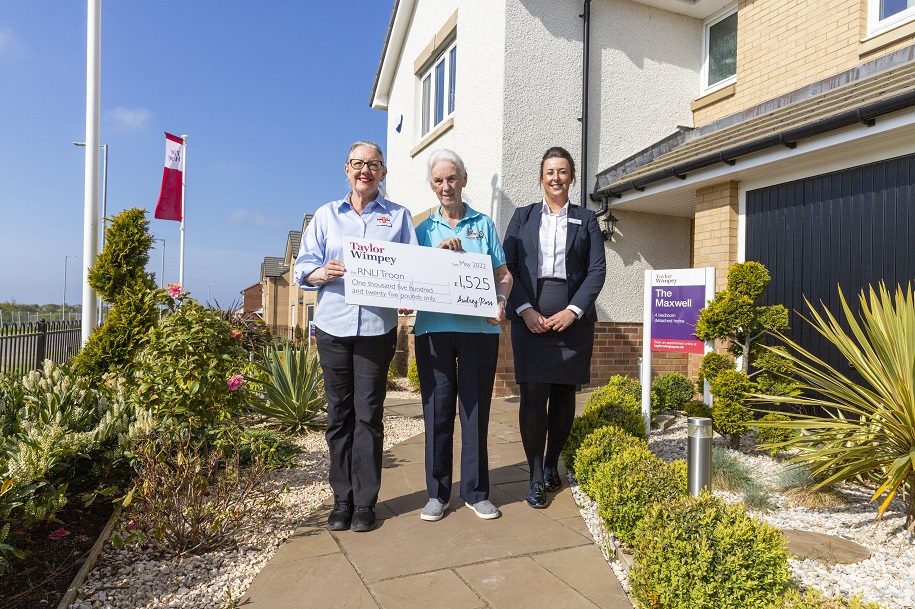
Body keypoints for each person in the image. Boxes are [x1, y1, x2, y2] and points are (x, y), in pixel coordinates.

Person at [294, 140, 417, 532]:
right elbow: (302, 268)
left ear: (383, 172)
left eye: (374, 164)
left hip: (377, 330)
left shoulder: (399, 217)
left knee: (369, 414)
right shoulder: (326, 216)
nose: (365, 170)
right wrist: (320, 274)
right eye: (358, 164)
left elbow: (410, 268)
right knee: (338, 415)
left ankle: (365, 503)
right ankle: (341, 500)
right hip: (333, 326)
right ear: (346, 169)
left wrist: (404, 294)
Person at [502, 146, 606, 509]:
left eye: (563, 171)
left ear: (572, 177)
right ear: (541, 177)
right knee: (533, 395)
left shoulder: (587, 219)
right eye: (549, 171)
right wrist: (526, 309)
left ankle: (551, 465)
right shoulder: (522, 216)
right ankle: (534, 477)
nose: (556, 178)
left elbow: (596, 271)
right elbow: (508, 267)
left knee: (563, 397)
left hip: (572, 320)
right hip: (530, 316)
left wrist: (574, 310)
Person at [413, 149, 513, 522]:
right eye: (438, 180)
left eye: (451, 178)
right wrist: (436, 256)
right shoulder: (421, 231)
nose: (445, 186)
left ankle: (475, 492)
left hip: (478, 332)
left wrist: (501, 300)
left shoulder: (483, 225)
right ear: (432, 185)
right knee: (437, 413)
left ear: (464, 180)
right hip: (433, 332)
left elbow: (503, 274)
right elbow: (412, 279)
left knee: (475, 412)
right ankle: (437, 495)